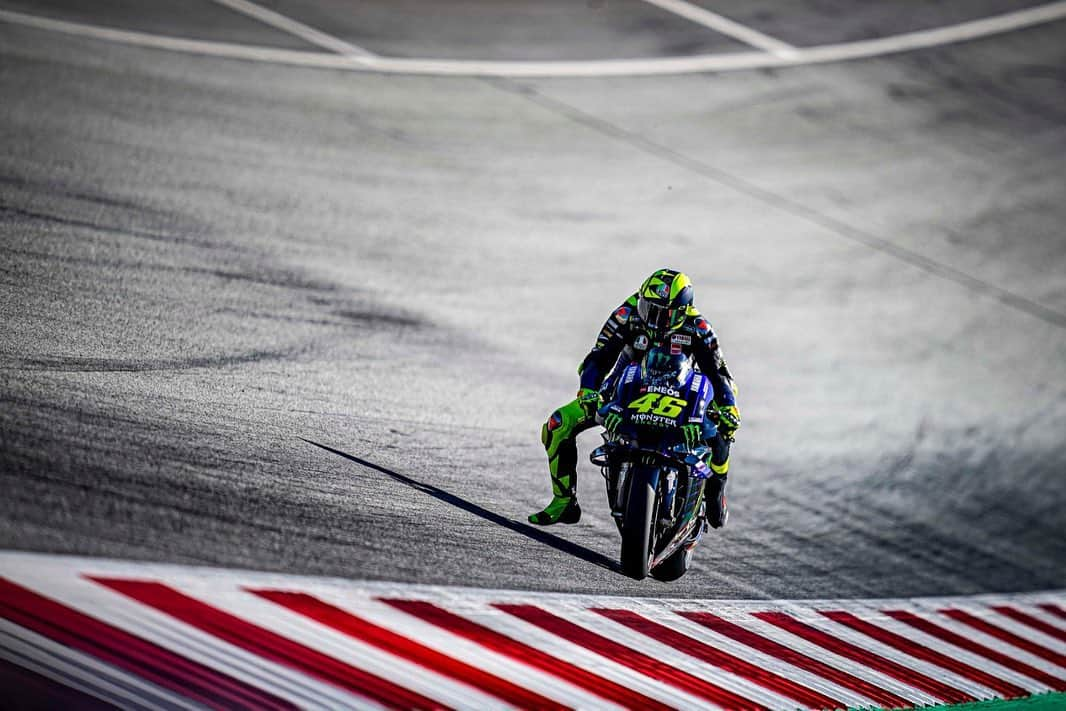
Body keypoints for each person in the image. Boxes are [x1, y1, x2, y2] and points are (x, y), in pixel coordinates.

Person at [530, 268, 739, 526]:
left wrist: (729, 407)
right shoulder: (627, 313)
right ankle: (564, 502)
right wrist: (588, 390)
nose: (652, 318)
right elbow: (599, 356)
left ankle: (716, 494)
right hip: (624, 390)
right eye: (647, 307)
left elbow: (719, 373)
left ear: (682, 311)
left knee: (723, 432)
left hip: (681, 398)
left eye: (662, 313)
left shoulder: (699, 327)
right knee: (557, 425)